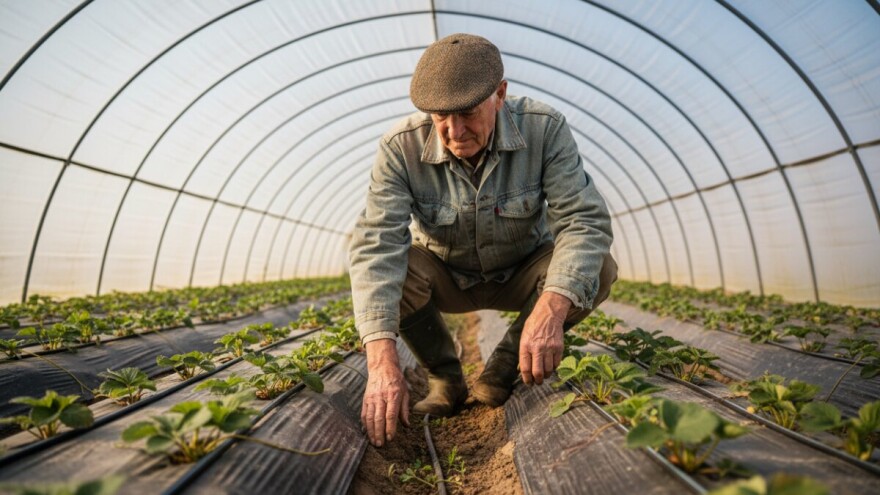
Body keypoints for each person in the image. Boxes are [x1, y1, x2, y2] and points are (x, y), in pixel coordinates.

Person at [349, 33, 617, 447]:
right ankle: (445, 378)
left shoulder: (544, 129)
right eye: (441, 118)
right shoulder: (400, 148)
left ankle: (503, 369)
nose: (454, 133)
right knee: (391, 271)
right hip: (447, 276)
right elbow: (376, 246)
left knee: (596, 268)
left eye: (468, 114)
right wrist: (382, 364)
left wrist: (550, 310)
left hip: (522, 272)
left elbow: (583, 220)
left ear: (500, 94)